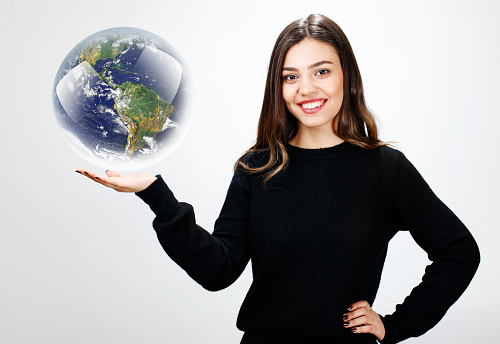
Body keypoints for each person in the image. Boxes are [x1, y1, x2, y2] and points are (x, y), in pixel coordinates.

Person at [76, 14, 480, 344]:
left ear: (346, 77)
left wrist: (396, 325)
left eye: (321, 71)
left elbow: (459, 252)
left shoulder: (385, 170)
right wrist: (156, 195)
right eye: (291, 76)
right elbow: (219, 270)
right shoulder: (257, 168)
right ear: (279, 86)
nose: (307, 88)